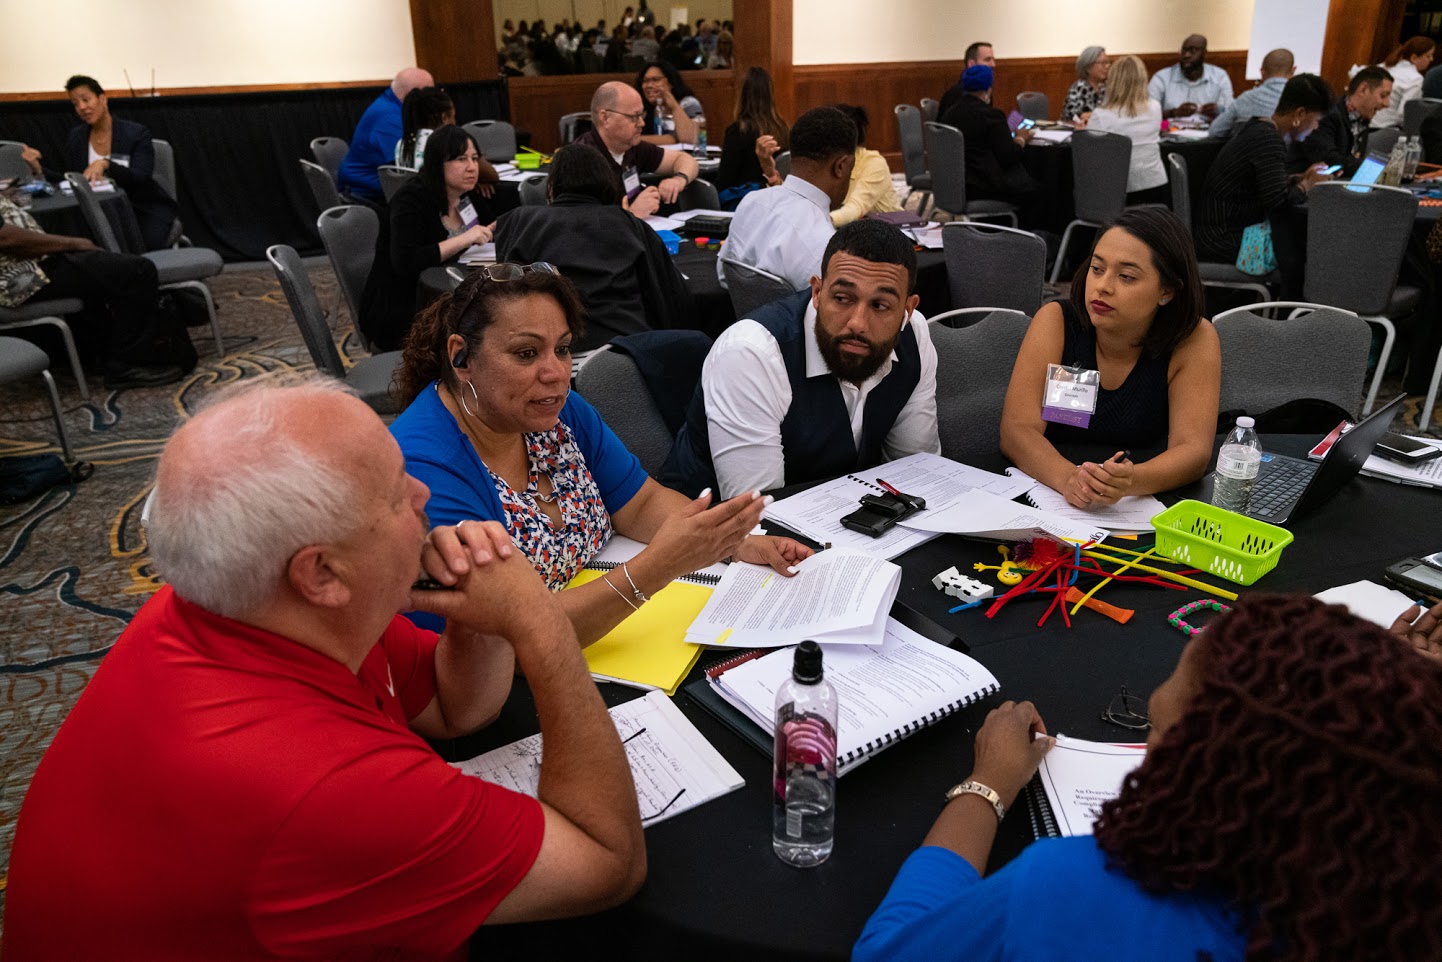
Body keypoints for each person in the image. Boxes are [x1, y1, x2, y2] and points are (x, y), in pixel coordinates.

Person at [1, 378, 651, 960]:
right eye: (397, 492)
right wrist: (540, 627)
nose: (425, 494)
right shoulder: (320, 787)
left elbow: (455, 708)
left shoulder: (246, 603)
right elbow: (607, 863)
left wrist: (478, 616)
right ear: (321, 573)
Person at [853, 594, 1442, 962]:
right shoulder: (1397, 903)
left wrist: (987, 785)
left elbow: (889, 953)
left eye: (1156, 735)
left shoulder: (1078, 891)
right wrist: (1383, 707)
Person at [389, 268, 809, 644]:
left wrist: (734, 543)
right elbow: (503, 634)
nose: (556, 372)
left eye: (564, 349)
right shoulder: (423, 467)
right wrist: (658, 567)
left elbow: (640, 503)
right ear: (461, 356)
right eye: (526, 353)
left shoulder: (555, 411)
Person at [664, 219, 940, 499]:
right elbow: (757, 515)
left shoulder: (914, 336)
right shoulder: (751, 353)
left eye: (880, 305)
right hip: (708, 529)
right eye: (843, 298)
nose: (857, 323)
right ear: (817, 292)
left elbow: (915, 474)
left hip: (843, 520)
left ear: (907, 309)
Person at [1000, 206, 1220, 508]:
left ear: (1167, 291)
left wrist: (1129, 482)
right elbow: (1017, 430)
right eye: (1097, 268)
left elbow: (1193, 451)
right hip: (1049, 492)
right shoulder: (1057, 321)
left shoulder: (1193, 338)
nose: (1103, 286)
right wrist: (1070, 479)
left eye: (1127, 276)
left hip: (1140, 503)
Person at [493, 144, 692, 352]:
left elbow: (505, 296)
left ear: (551, 186)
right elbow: (670, 297)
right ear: (606, 181)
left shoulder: (520, 222)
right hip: (624, 349)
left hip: (547, 350)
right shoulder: (628, 224)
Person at [0, 191, 193, 388]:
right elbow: (6, 239)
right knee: (136, 271)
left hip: (31, 265)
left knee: (107, 271)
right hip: (16, 280)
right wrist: (72, 243)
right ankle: (127, 365)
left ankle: (103, 355)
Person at [359, 126, 504, 352]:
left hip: (446, 294)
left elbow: (488, 226)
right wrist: (465, 238)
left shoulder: (464, 193)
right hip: (403, 307)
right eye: (460, 159)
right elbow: (406, 261)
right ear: (437, 163)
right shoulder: (411, 199)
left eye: (475, 158)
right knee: (485, 334)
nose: (471, 167)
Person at [1198, 74, 1334, 300]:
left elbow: (1264, 185)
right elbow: (1277, 202)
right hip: (1223, 238)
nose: (1316, 127)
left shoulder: (1260, 128)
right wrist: (1307, 185)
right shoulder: (1268, 140)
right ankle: (1290, 317)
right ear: (1299, 114)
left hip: (1219, 230)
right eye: (1316, 120)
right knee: (1307, 253)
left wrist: (1300, 179)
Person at [714, 105, 856, 291]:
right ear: (841, 166)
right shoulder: (824, 246)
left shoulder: (751, 202)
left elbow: (724, 276)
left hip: (745, 319)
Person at [49, 75, 179, 251]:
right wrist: (37, 169)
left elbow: (140, 176)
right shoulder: (77, 137)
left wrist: (106, 163)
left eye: (86, 100)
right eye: (75, 104)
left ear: (102, 99)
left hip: (139, 208)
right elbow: (73, 179)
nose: (82, 108)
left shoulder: (135, 133)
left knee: (139, 250)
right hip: (98, 213)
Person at [574, 81, 700, 220]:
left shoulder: (632, 147)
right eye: (633, 117)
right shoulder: (581, 161)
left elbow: (685, 160)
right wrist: (633, 214)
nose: (642, 123)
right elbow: (582, 226)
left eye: (642, 115)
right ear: (605, 118)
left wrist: (678, 180)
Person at [937, 65, 1039, 215]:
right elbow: (1009, 156)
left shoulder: (950, 114)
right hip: (985, 187)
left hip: (955, 186)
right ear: (989, 88)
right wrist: (1021, 139)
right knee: (1039, 191)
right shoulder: (991, 115)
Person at [339, 67, 435, 203]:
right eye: (432, 93)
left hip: (372, 187)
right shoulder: (389, 118)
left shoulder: (389, 105)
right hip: (366, 195)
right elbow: (408, 167)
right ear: (415, 94)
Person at [1082, 55, 1169, 205]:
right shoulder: (1155, 107)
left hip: (1117, 193)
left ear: (1113, 81)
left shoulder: (1102, 116)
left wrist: (1082, 132)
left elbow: (1089, 155)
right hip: (1156, 187)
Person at [1294, 66, 1392, 176]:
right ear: (1363, 89)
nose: (1387, 104)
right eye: (1383, 95)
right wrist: (1381, 168)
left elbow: (1351, 160)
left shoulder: (1362, 118)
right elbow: (1330, 162)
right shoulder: (1327, 114)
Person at [715, 67, 789, 200]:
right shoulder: (783, 129)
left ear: (741, 95)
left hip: (746, 201)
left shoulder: (738, 132)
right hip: (778, 200)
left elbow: (724, 181)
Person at [829, 104, 902, 226]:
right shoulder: (827, 162)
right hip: (851, 230)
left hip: (891, 233)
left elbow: (855, 208)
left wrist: (820, 222)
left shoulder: (874, 163)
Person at [1208, 48, 1295, 139]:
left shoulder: (1245, 99)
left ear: (1262, 72)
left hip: (1246, 151)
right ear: (1293, 71)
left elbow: (1215, 131)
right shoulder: (1299, 101)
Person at [1148, 34, 1234, 120]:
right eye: (1184, 51)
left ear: (1204, 54)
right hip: (1169, 131)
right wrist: (1174, 113)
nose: (1186, 55)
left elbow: (1230, 113)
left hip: (1210, 131)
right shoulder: (1162, 78)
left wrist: (1217, 111)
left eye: (1193, 50)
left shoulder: (1220, 77)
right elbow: (1147, 114)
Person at [1373, 35, 1436, 128]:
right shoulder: (1415, 79)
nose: (1431, 59)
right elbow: (1405, 114)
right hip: (1386, 129)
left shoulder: (1381, 66)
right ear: (1414, 58)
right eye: (1428, 55)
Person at [635, 61, 703, 145]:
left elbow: (688, 139)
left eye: (655, 80)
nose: (649, 85)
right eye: (645, 81)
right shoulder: (643, 108)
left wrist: (674, 106)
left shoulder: (689, 103)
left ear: (671, 82)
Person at [395, 86, 455, 170]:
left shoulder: (401, 145)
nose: (455, 122)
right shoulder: (444, 143)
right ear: (444, 118)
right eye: (453, 117)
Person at [939, 41, 997, 120]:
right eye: (987, 60)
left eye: (993, 60)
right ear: (971, 64)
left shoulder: (983, 91)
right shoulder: (957, 97)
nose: (993, 64)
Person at [1062, 46, 1111, 122]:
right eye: (1102, 63)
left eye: (1107, 62)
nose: (1107, 66)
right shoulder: (1079, 88)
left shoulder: (1107, 87)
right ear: (1088, 67)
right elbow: (1071, 116)